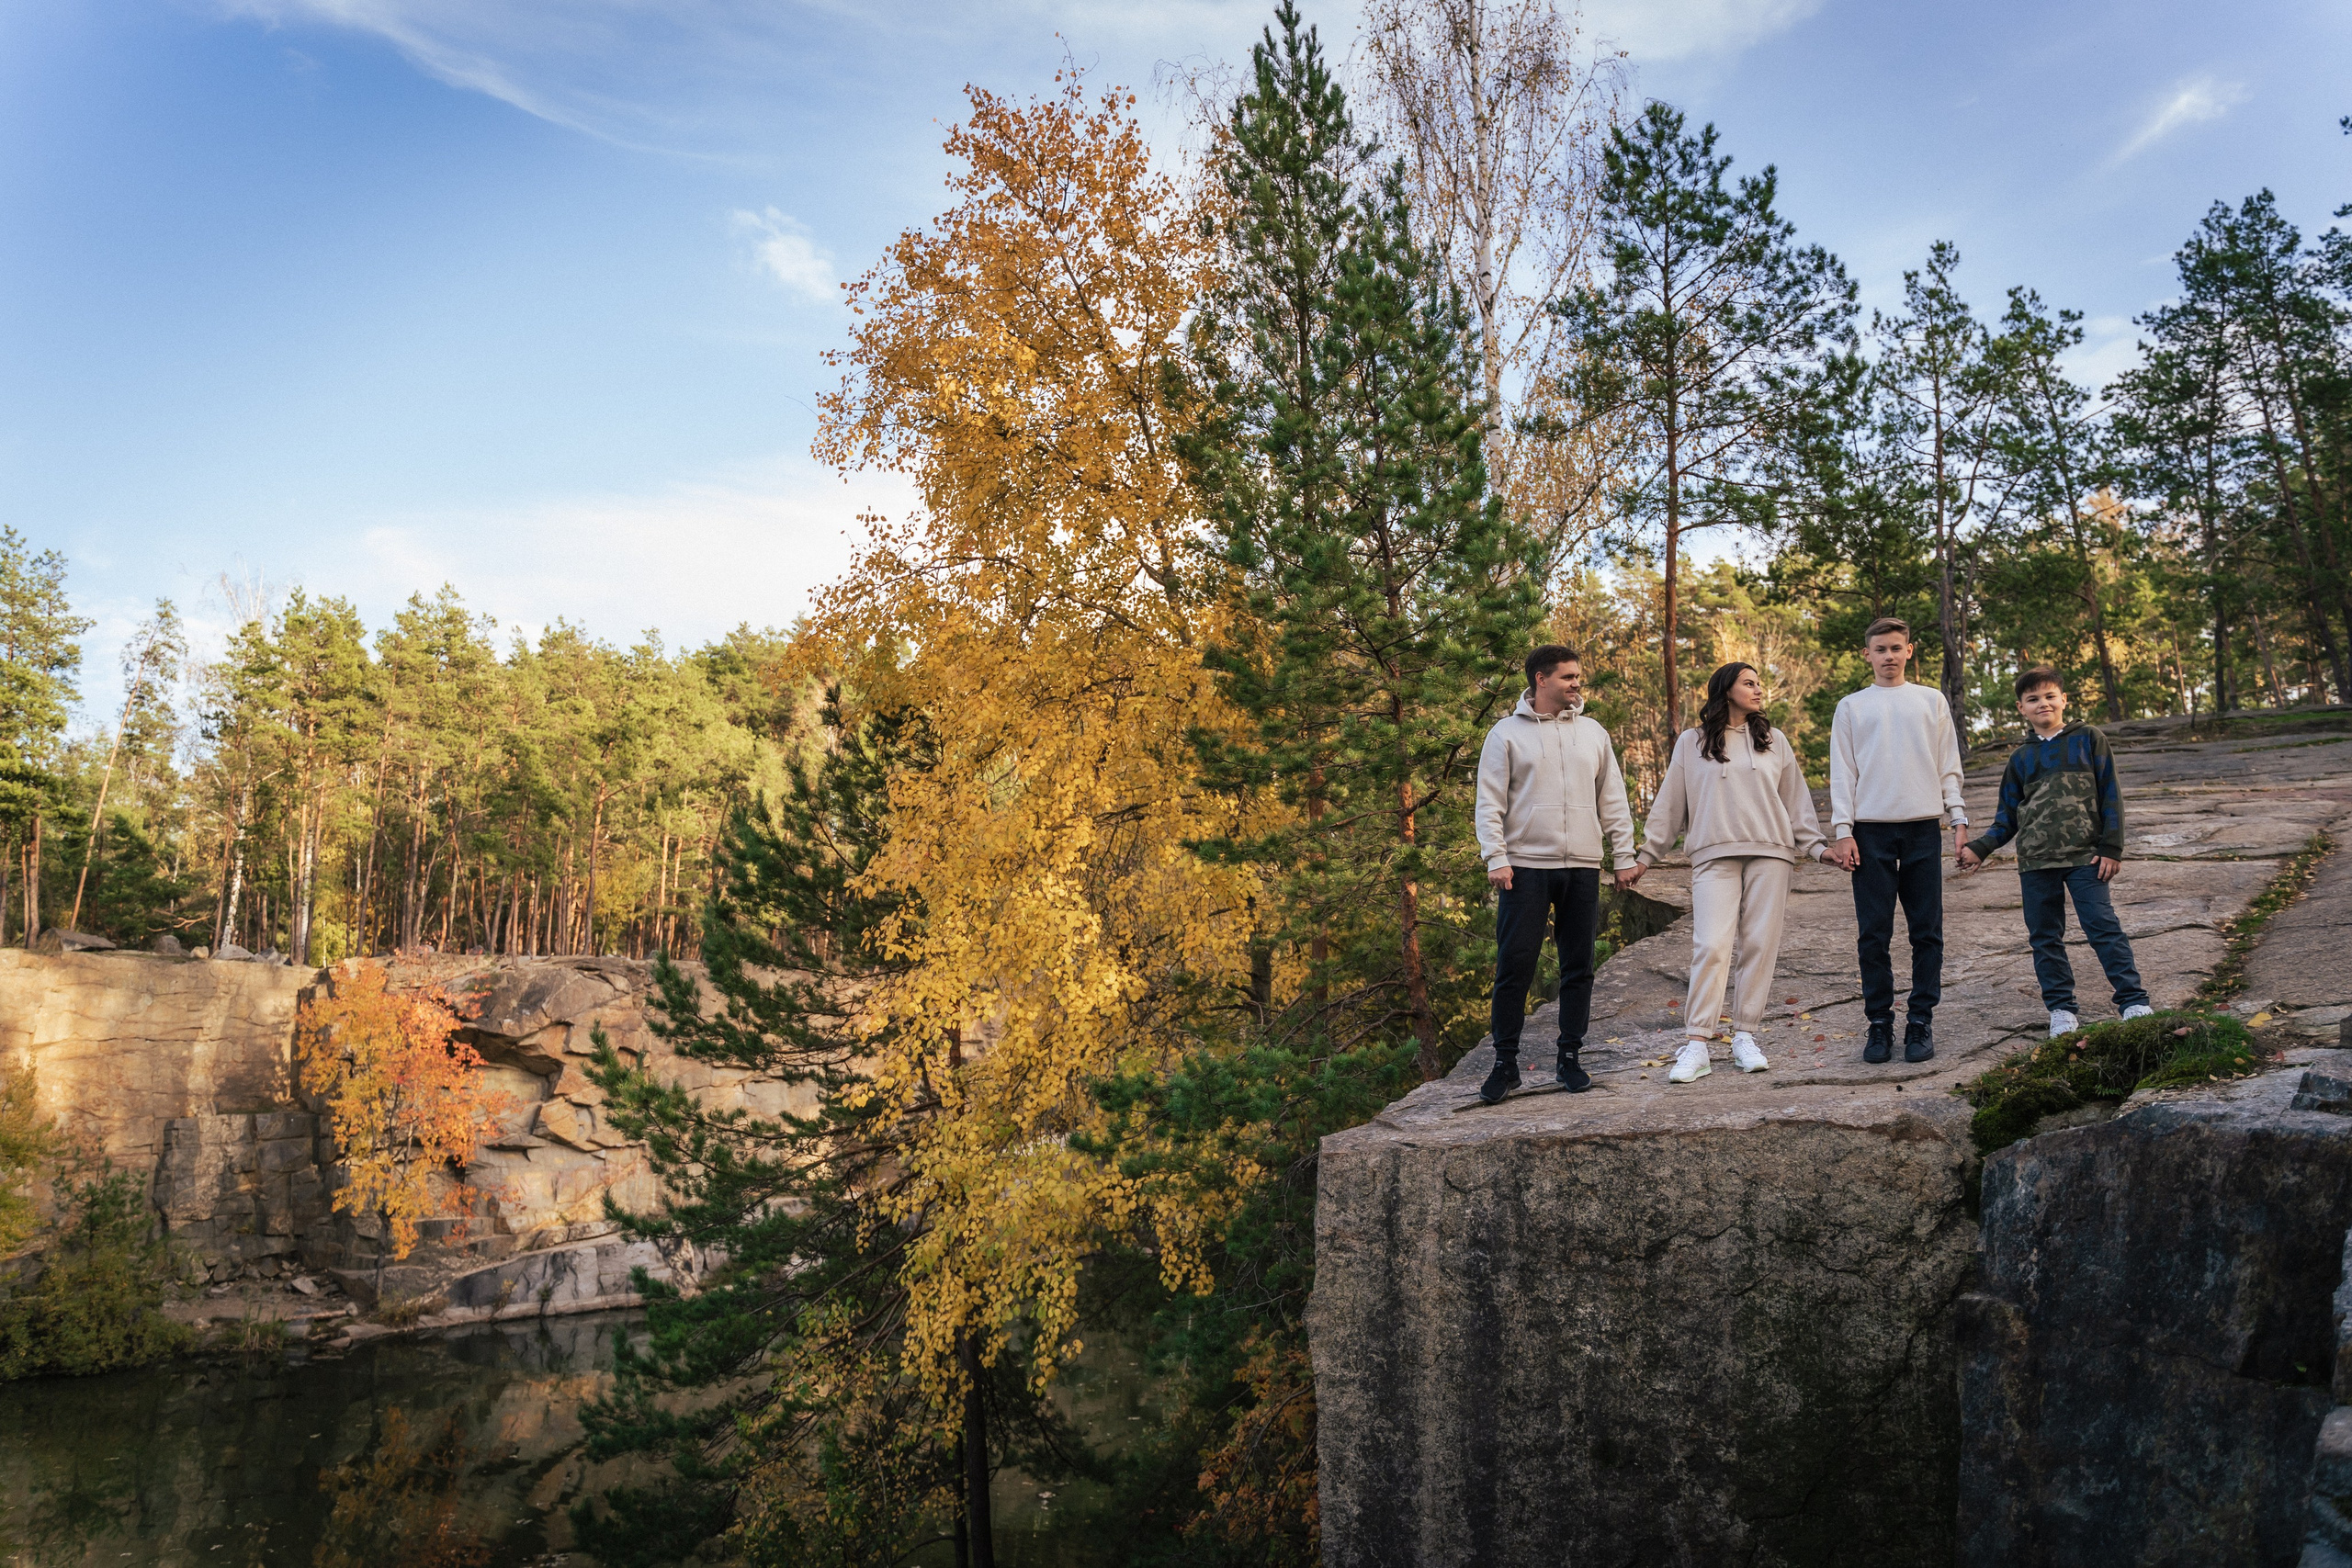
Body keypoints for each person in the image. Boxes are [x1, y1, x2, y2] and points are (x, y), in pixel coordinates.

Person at [1628, 662, 1831, 1084]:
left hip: (1771, 853)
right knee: (1711, 946)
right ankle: (1697, 1043)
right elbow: (1670, 804)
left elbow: (1796, 802)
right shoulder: (1692, 742)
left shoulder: (1774, 740)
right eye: (1749, 683)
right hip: (1713, 855)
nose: (1758, 690)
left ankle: (1745, 1036)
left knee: (1759, 945)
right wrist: (1646, 856)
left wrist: (1817, 847)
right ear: (1726, 690)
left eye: (1759, 683)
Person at [1474, 643, 1638, 1103]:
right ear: (1540, 679)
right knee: (1515, 966)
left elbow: (1613, 799)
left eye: (1577, 676)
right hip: (1525, 867)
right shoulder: (1506, 734)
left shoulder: (1593, 733)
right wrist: (1496, 857)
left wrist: (1623, 855)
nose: (1576, 684)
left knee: (1578, 968)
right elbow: (1489, 802)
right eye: (1568, 676)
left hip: (1582, 866)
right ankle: (1505, 1064)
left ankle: (1570, 1058)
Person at [1958, 665, 2154, 1034]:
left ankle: (2134, 1002)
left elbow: (2111, 794)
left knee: (2103, 927)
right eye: (2033, 699)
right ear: (2021, 708)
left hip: (2086, 858)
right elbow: (2007, 817)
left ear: (2064, 699)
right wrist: (1980, 849)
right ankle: (2061, 1010)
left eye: (2050, 696)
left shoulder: (2089, 739)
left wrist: (2111, 847)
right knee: (2045, 938)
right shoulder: (2020, 758)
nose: (2043, 704)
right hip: (2036, 863)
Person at [1826, 617, 1968, 1065]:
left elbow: (1948, 764)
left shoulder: (1931, 700)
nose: (1888, 656)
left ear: (1909, 651)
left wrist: (1958, 817)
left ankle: (1920, 1020)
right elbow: (1843, 772)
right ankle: (1879, 1023)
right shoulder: (1851, 706)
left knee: (1927, 932)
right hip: (1871, 832)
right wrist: (1843, 831)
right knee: (1874, 934)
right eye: (1880, 649)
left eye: (1895, 648)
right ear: (1866, 654)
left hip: (1923, 828)